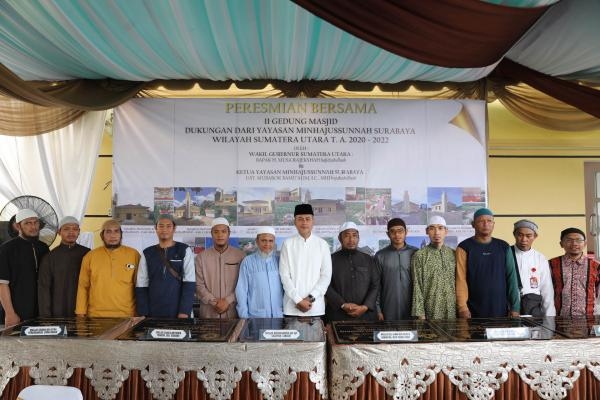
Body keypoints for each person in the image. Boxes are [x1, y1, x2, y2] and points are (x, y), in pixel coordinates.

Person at [456, 208, 520, 318]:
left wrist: (515, 307)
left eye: (489, 221)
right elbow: (460, 279)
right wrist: (462, 307)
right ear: (473, 224)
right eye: (481, 221)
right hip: (472, 309)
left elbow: (511, 277)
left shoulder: (503, 247)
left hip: (500, 308)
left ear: (494, 224)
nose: (486, 224)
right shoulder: (464, 247)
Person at [75, 219, 140, 317]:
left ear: (121, 234)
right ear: (102, 235)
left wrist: (140, 312)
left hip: (127, 316)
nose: (113, 236)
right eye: (108, 232)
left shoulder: (133, 254)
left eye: (116, 231)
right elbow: (83, 286)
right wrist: (80, 312)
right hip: (96, 316)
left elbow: (139, 286)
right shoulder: (90, 256)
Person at [135, 215, 195, 318]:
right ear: (156, 228)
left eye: (168, 226)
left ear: (174, 228)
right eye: (161, 226)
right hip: (153, 311)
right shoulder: (147, 253)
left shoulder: (184, 250)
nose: (164, 229)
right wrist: (143, 312)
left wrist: (184, 311)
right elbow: (141, 285)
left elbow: (189, 283)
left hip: (179, 311)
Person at [279, 204, 332, 317]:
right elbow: (284, 276)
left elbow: (326, 275)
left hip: (315, 307)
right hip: (291, 307)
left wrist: (310, 298)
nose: (304, 222)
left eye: (307, 219)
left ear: (313, 221)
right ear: (295, 222)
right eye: (300, 219)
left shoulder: (322, 244)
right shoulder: (287, 244)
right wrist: (298, 300)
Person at [0, 209, 49, 326]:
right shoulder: (7, 249)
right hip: (16, 313)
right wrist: (10, 313)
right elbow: (2, 284)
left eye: (35, 222)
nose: (33, 226)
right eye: (27, 223)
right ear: (18, 226)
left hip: (40, 312)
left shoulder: (43, 248)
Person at [326, 222, 379, 322]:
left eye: (354, 236)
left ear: (358, 238)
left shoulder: (368, 260)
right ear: (339, 238)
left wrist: (365, 307)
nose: (351, 240)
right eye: (347, 236)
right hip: (338, 315)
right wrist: (342, 304)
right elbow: (325, 285)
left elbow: (375, 284)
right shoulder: (330, 260)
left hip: (366, 315)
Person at [38, 216, 90, 317]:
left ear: (79, 232)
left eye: (75, 229)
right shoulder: (50, 257)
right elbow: (44, 289)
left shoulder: (87, 254)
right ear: (59, 232)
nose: (71, 232)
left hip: (83, 312)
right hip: (57, 311)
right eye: (66, 229)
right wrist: (46, 317)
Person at [195, 217, 244, 318]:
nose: (220, 235)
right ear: (211, 234)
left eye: (223, 231)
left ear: (229, 234)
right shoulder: (201, 257)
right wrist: (214, 302)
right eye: (216, 232)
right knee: (208, 334)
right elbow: (198, 285)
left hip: (233, 311)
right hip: (208, 312)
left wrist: (228, 301)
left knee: (233, 334)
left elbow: (243, 284)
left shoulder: (240, 256)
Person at [411, 216, 456, 320]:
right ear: (427, 231)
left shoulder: (453, 254)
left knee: (452, 336)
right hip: (430, 310)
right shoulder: (420, 255)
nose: (436, 232)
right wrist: (420, 314)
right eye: (432, 228)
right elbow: (417, 285)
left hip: (452, 310)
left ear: (446, 231)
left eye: (440, 228)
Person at [549, 228, 600, 317]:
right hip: (560, 318)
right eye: (569, 240)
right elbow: (546, 291)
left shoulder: (596, 266)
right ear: (561, 244)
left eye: (578, 240)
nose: (574, 244)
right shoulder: (551, 264)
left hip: (589, 319)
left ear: (585, 244)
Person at [235, 226, 284, 318]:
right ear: (257, 242)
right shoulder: (247, 261)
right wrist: (244, 317)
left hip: (279, 316)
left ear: (274, 242)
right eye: (263, 240)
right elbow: (241, 290)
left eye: (270, 241)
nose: (267, 244)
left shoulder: (280, 261)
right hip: (256, 317)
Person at [375, 218, 417, 320]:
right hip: (388, 308)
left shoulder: (416, 253)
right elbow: (376, 285)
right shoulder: (380, 255)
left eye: (400, 231)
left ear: (406, 232)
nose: (397, 235)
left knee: (412, 334)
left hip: (412, 309)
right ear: (387, 234)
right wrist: (378, 310)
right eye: (393, 232)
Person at [511, 219, 556, 317]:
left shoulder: (540, 258)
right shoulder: (506, 254)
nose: (524, 239)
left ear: (535, 236)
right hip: (510, 308)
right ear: (514, 234)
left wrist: (549, 318)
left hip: (532, 308)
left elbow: (546, 289)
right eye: (520, 235)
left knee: (534, 332)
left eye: (528, 236)